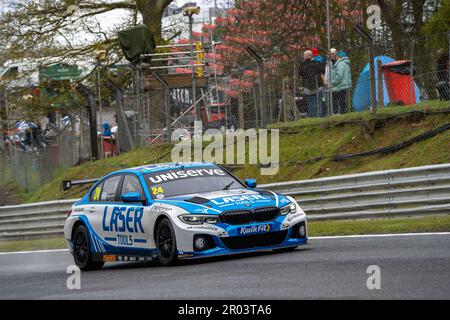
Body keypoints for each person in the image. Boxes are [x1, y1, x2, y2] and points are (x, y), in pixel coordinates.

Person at [298, 50, 324, 117]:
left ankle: (312, 116)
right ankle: (319, 116)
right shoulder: (317, 63)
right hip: (318, 86)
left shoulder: (302, 65)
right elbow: (323, 71)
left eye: (304, 56)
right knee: (319, 102)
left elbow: (299, 74)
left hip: (307, 87)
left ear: (306, 56)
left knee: (310, 103)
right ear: (311, 56)